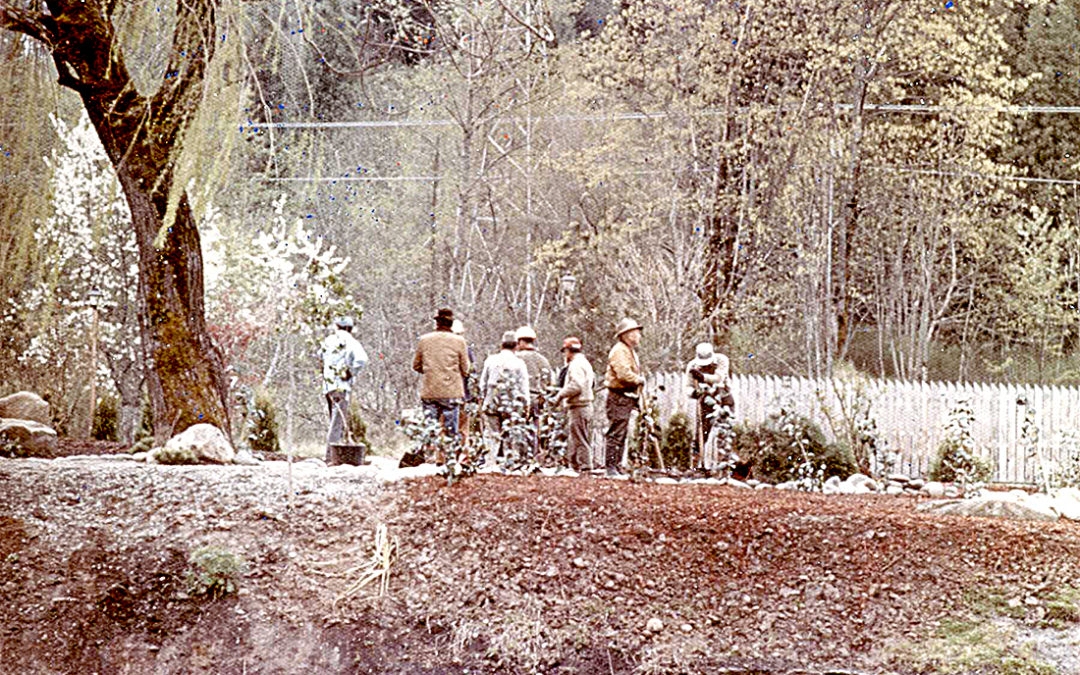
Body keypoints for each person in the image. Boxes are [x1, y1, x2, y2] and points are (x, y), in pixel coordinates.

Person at [412, 308, 471, 447]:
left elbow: (416, 366)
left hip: (430, 390)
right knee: (451, 432)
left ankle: (429, 457)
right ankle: (449, 458)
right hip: (451, 392)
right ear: (451, 324)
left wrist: (431, 371)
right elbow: (466, 369)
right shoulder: (459, 341)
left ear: (437, 323)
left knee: (430, 430)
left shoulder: (424, 340)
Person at [478, 330, 530, 466]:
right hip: (512, 402)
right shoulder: (519, 363)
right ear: (516, 346)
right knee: (511, 433)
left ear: (502, 345)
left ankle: (490, 462)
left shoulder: (491, 360)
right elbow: (524, 386)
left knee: (491, 434)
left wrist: (483, 399)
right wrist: (526, 404)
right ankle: (511, 462)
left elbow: (482, 383)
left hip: (492, 400)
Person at [322, 316, 369, 463]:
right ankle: (331, 457)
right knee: (337, 423)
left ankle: (336, 454)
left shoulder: (328, 340)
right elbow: (362, 359)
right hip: (341, 386)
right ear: (350, 328)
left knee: (334, 421)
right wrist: (350, 372)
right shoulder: (351, 341)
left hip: (328, 385)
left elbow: (319, 357)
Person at [604, 318, 645, 475]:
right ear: (627, 335)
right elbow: (623, 374)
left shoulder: (628, 351)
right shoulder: (620, 351)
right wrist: (638, 380)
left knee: (621, 432)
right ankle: (611, 467)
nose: (639, 335)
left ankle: (616, 465)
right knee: (616, 432)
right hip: (619, 396)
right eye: (636, 332)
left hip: (626, 396)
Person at [685, 342, 734, 468]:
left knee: (725, 431)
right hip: (705, 400)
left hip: (723, 398)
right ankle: (697, 465)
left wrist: (702, 377)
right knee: (701, 433)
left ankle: (724, 465)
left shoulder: (722, 360)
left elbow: (719, 378)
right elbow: (688, 387)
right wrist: (694, 393)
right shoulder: (692, 366)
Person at [552, 336, 595, 472]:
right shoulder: (585, 363)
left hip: (579, 405)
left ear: (568, 351)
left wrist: (560, 395)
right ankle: (576, 466)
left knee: (580, 438)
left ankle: (585, 467)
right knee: (578, 437)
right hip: (584, 405)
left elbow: (576, 385)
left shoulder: (576, 365)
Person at [514, 325, 552, 455]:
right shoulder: (543, 360)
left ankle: (518, 458)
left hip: (519, 399)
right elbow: (549, 383)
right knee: (534, 430)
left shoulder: (516, 358)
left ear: (519, 341)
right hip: (537, 399)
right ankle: (533, 458)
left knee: (518, 430)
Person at [452, 319, 477, 443]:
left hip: (451, 394)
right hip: (462, 395)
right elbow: (472, 372)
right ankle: (461, 455)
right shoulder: (466, 350)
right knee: (462, 428)